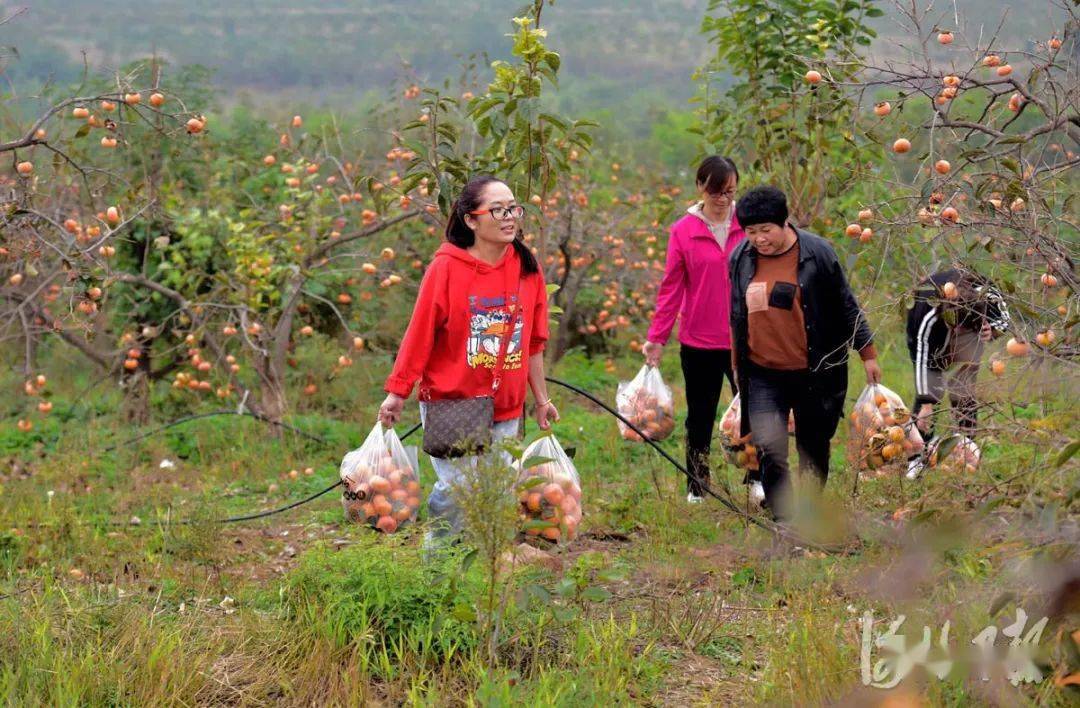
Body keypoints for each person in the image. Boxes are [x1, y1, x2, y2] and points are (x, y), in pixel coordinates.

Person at [378, 175, 560, 543]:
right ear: (471, 220)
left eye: (513, 207)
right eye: (497, 209)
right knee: (455, 492)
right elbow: (419, 335)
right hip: (452, 401)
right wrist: (398, 391)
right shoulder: (446, 269)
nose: (509, 216)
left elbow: (534, 343)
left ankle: (485, 574)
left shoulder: (527, 269)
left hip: (505, 405)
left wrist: (541, 400)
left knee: (496, 492)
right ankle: (439, 570)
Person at [729, 186, 882, 520]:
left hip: (815, 370)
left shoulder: (818, 253)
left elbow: (845, 305)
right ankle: (783, 519)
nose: (759, 239)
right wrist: (737, 364)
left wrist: (867, 352)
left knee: (813, 448)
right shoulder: (740, 258)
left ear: (784, 222)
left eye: (765, 230)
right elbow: (737, 314)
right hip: (762, 372)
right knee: (770, 449)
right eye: (751, 232)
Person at [642, 156, 747, 504]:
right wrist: (657, 338)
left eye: (730, 191)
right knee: (700, 416)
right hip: (699, 340)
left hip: (745, 338)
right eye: (716, 191)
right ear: (701, 187)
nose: (723, 198)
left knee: (752, 410)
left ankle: (757, 477)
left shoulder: (746, 225)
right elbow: (671, 288)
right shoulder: (683, 231)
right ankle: (697, 486)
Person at [904, 267, 1011, 478]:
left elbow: (1005, 320)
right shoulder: (929, 317)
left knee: (963, 388)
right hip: (927, 328)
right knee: (930, 391)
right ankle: (918, 456)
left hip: (975, 327)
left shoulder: (988, 298)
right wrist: (927, 403)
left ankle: (968, 449)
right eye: (956, 332)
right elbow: (922, 359)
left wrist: (993, 330)